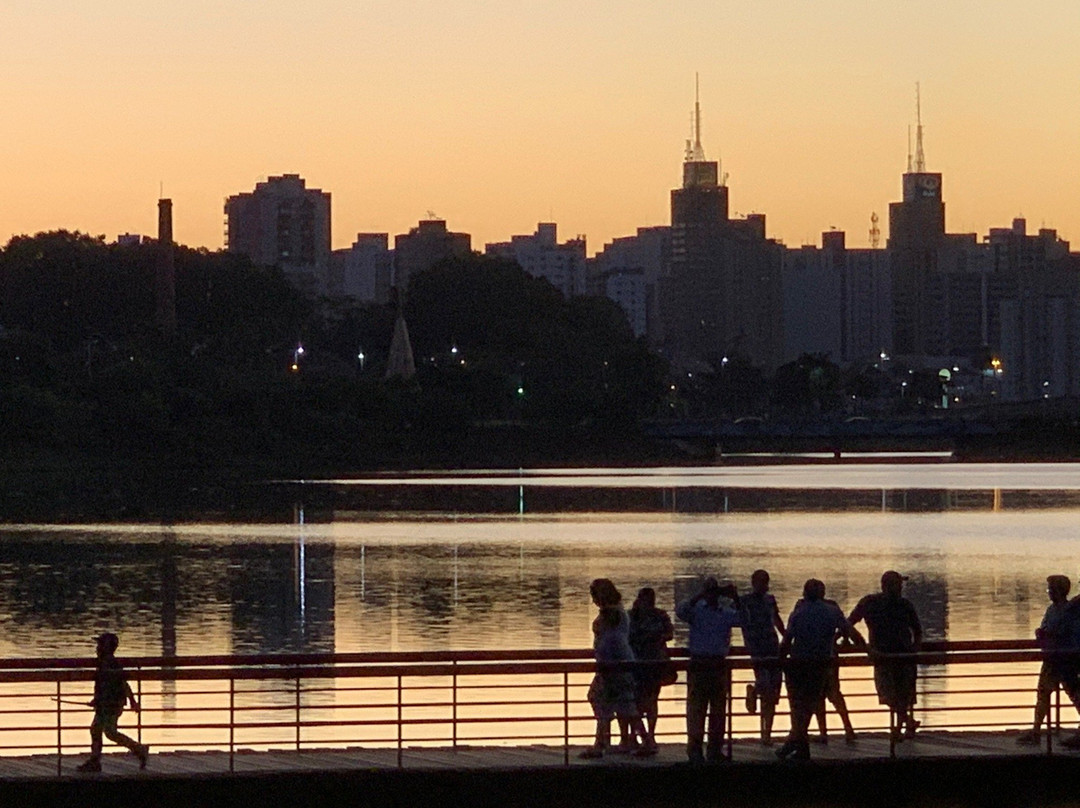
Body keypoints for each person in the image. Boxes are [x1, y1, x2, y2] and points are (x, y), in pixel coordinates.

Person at [776, 578, 853, 761]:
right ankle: (797, 746)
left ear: (804, 593)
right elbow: (850, 631)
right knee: (808, 707)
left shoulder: (798, 613)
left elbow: (787, 641)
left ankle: (796, 746)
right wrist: (867, 650)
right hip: (821, 665)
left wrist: (778, 663)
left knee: (798, 708)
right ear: (823, 594)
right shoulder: (832, 611)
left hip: (798, 664)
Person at [848, 570, 923, 740]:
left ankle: (900, 727)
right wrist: (914, 649)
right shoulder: (898, 604)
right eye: (898, 585)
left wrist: (914, 649)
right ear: (887, 586)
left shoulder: (873, 603)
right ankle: (905, 723)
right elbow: (917, 630)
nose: (901, 588)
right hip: (891, 656)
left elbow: (848, 624)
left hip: (897, 656)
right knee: (896, 694)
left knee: (898, 695)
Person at [675, 577, 742, 764]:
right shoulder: (696, 611)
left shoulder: (725, 612)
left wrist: (735, 597)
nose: (713, 595)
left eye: (715, 591)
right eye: (710, 591)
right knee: (696, 709)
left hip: (718, 663)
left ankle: (714, 750)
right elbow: (681, 611)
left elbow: (744, 619)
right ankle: (694, 749)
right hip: (699, 663)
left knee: (718, 711)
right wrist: (699, 596)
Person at [582, 579, 646, 758]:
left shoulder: (612, 613)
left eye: (594, 596)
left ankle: (603, 742)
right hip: (615, 663)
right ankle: (607, 740)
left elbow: (610, 639)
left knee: (610, 701)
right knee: (618, 702)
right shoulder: (618, 611)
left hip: (615, 665)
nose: (593, 600)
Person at [1017, 575, 1080, 745]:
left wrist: (1052, 635)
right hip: (1051, 658)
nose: (1049, 593)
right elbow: (1045, 628)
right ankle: (1036, 731)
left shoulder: (1072, 612)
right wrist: (1041, 633)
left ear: (1060, 591)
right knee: (1043, 694)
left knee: (1074, 693)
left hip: (1066, 659)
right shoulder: (1051, 610)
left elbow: (1072, 635)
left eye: (1051, 589)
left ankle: (1037, 732)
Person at [76, 632, 149, 773]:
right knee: (97, 729)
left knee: (109, 732)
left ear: (107, 647)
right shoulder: (105, 663)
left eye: (100, 645)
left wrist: (132, 701)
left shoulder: (110, 664)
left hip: (112, 704)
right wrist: (97, 700)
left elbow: (122, 683)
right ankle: (95, 761)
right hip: (106, 703)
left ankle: (139, 749)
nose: (97, 648)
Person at [739, 569, 785, 745]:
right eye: (759, 582)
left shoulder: (770, 600)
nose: (762, 585)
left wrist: (787, 637)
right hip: (756, 647)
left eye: (765, 582)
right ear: (753, 583)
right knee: (765, 684)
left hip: (772, 645)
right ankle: (755, 690)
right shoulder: (745, 601)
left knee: (773, 692)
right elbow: (739, 621)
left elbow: (776, 620)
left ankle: (767, 733)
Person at [628, 587, 675, 755]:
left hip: (655, 663)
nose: (648, 603)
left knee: (652, 700)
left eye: (651, 600)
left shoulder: (661, 615)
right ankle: (635, 736)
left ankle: (650, 735)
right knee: (636, 701)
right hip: (637, 664)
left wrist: (659, 637)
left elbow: (670, 633)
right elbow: (627, 636)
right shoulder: (631, 616)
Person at [811, 581, 858, 745]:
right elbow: (845, 627)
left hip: (813, 658)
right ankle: (847, 728)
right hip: (830, 657)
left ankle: (825, 732)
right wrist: (844, 639)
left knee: (820, 696)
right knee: (834, 694)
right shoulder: (832, 607)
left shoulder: (802, 606)